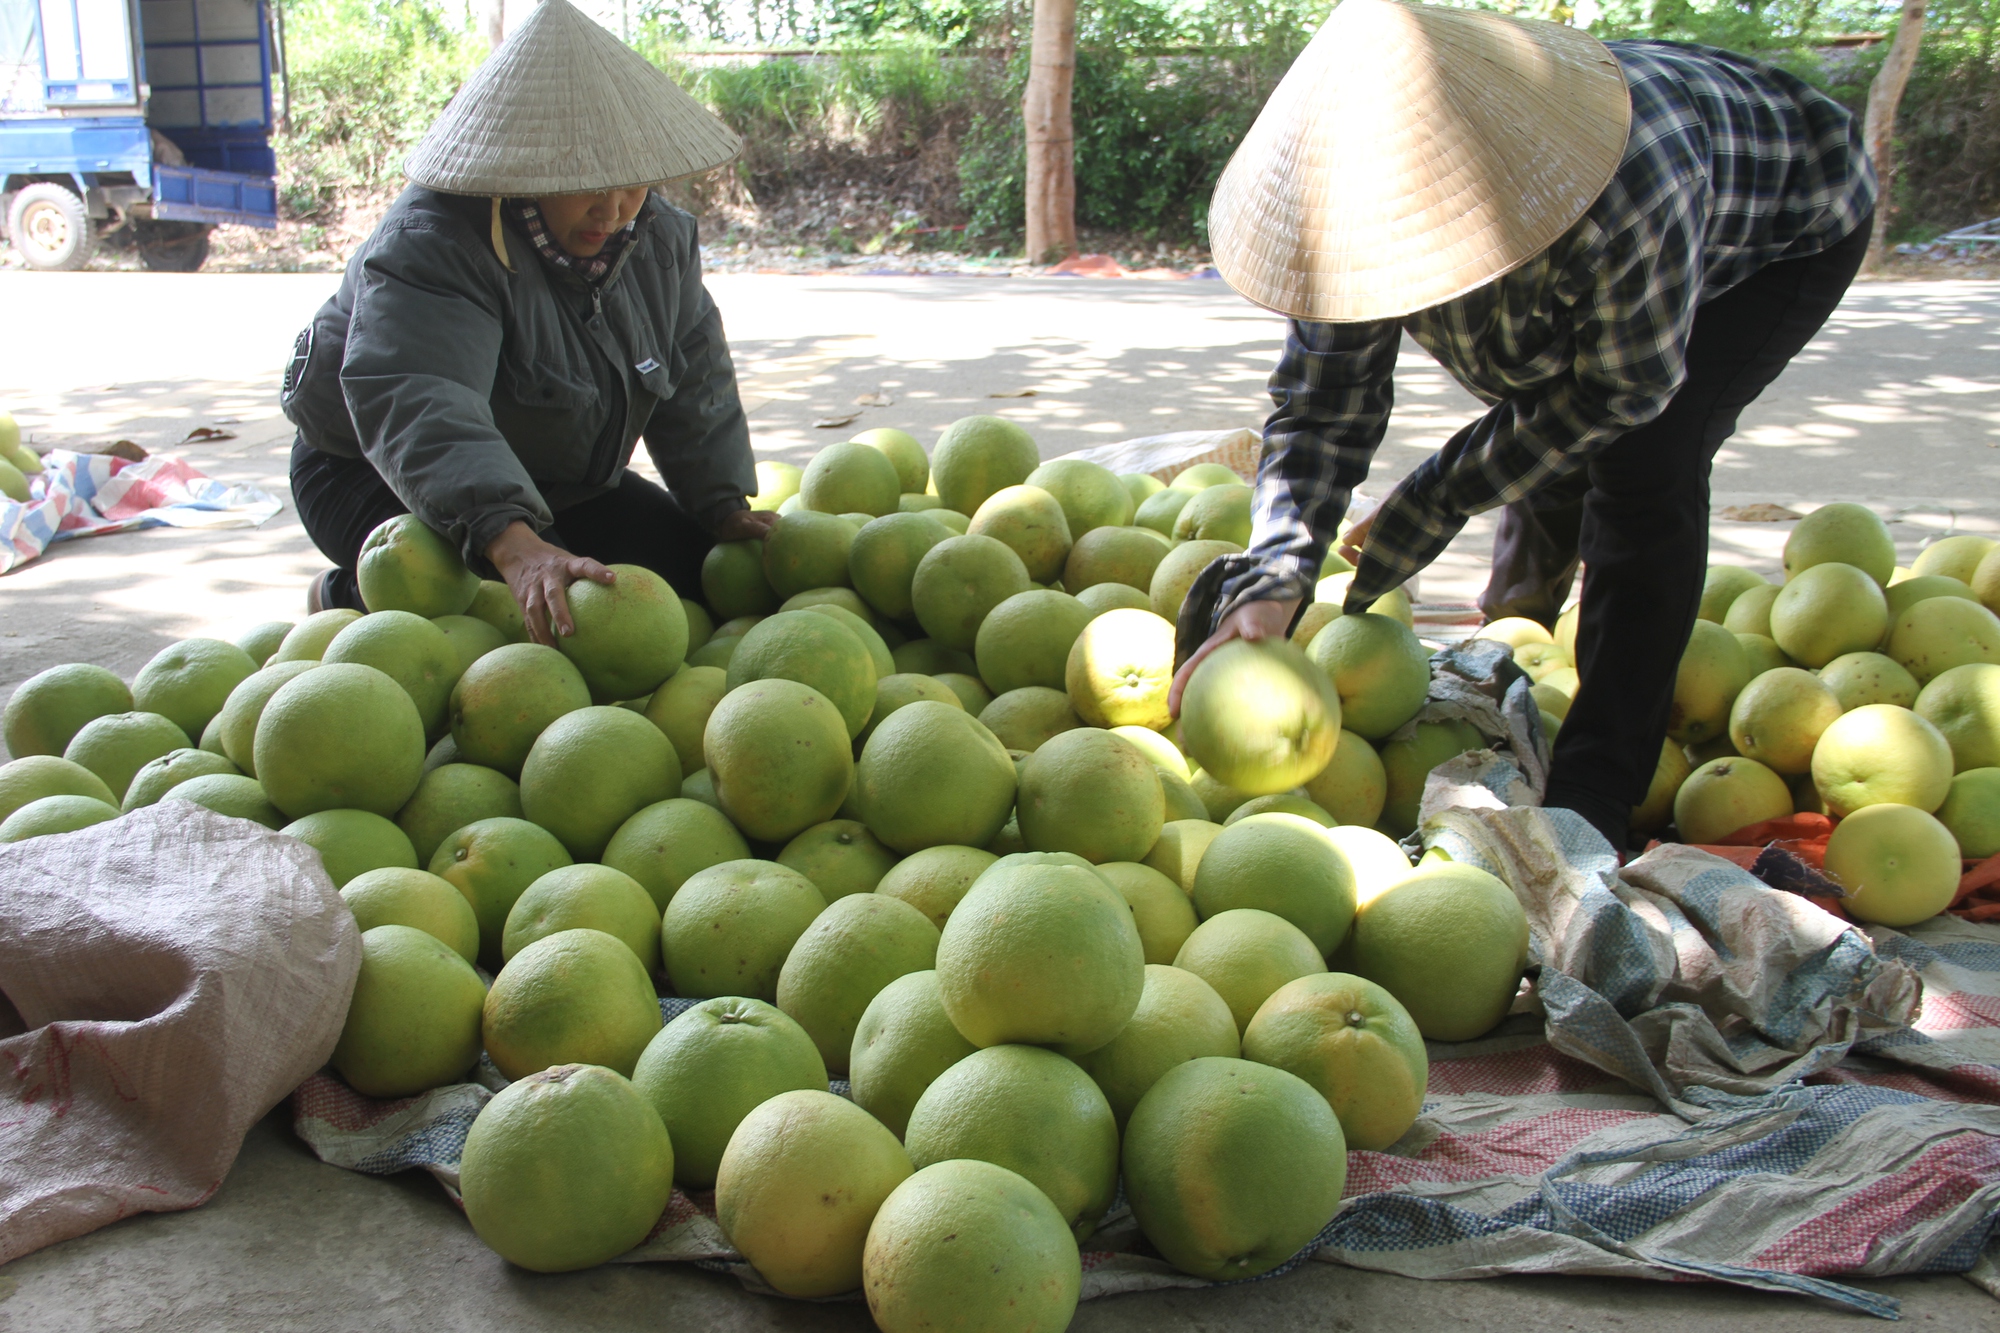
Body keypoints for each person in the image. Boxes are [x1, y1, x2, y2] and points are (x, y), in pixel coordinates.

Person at [1171, 0, 1875, 850]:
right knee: (1550, 440)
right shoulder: (1350, 208)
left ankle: (1597, 792)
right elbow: (1324, 406)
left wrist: (1435, 497)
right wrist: (1277, 574)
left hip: (1783, 234)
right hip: (1618, 282)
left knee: (1643, 469)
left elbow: (1616, 394)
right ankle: (1521, 629)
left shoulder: (1624, 193)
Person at [281, 0, 771, 644]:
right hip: (370, 472)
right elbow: (419, 392)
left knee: (694, 579)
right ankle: (348, 592)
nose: (615, 207)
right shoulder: (435, 240)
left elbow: (694, 376)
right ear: (524, 168)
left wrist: (722, 504)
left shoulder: (656, 238)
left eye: (633, 182)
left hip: (556, 484)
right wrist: (512, 543)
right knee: (537, 623)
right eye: (589, 182)